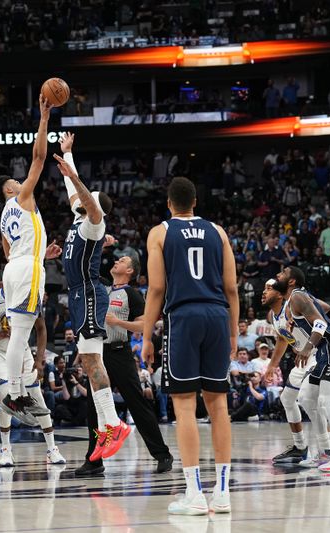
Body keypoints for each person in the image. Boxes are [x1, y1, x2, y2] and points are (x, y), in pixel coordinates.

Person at [142, 176, 238, 515]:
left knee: (184, 406)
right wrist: (233, 331)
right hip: (216, 315)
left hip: (183, 317)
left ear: (169, 204)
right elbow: (232, 287)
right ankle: (223, 492)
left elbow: (156, 288)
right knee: (219, 406)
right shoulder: (218, 231)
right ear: (195, 202)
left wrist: (145, 337)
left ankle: (194, 494)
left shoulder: (160, 232)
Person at [54, 135, 132, 463]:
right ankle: (105, 426)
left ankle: (114, 423)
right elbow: (75, 194)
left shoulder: (94, 225)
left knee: (92, 361)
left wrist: (75, 177)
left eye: (88, 201)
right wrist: (68, 154)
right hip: (78, 294)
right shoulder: (79, 218)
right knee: (87, 362)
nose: (81, 201)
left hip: (88, 292)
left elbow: (83, 196)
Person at [76, 254, 173, 476]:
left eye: (122, 260)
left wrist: (119, 322)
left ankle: (162, 454)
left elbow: (144, 325)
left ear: (130, 271)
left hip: (120, 351)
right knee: (94, 407)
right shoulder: (103, 289)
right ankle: (95, 460)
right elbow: (86, 268)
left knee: (136, 402)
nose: (116, 261)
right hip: (98, 354)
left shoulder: (131, 293)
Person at [0, 94, 54, 421]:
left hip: (15, 267)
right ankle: (15, 394)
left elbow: (8, 251)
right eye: (15, 182)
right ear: (10, 190)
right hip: (27, 268)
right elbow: (40, 157)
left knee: (20, 331)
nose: (20, 181)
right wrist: (44, 118)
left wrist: (42, 252)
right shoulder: (22, 196)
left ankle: (15, 393)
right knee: (20, 334)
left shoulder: (3, 216)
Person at [271, 266, 330, 473]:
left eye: (282, 273)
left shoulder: (298, 296)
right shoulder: (296, 300)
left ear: (291, 281)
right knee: (307, 398)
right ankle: (325, 453)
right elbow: (323, 307)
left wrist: (307, 348)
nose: (278, 275)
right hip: (324, 350)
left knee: (325, 401)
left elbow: (320, 324)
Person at [0, 286, 66, 467]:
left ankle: (52, 449)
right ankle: (6, 449)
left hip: (24, 351)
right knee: (6, 396)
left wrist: (39, 361)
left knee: (37, 396)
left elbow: (42, 329)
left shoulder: (30, 297)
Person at [262, 278, 320, 467]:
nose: (264, 292)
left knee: (310, 400)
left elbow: (324, 309)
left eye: (269, 289)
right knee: (287, 399)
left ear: (280, 293)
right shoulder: (273, 314)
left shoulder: (292, 304)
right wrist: (272, 365)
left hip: (317, 354)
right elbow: (282, 340)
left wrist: (308, 312)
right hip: (302, 359)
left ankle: (328, 450)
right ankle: (300, 446)